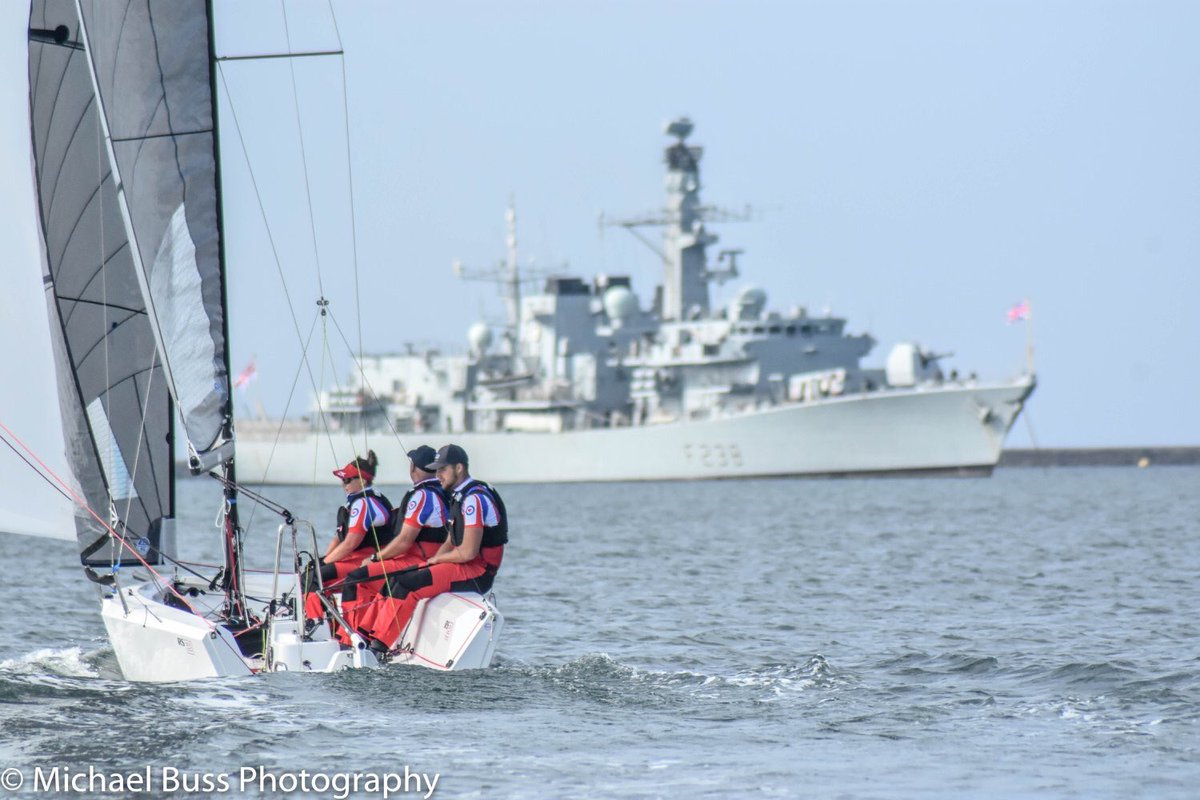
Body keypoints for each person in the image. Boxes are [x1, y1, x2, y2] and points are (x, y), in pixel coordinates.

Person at [358, 443, 507, 656]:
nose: (438, 475)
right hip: (464, 565)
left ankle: (378, 649)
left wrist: (437, 561)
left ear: (459, 468)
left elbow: (468, 552)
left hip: (479, 572)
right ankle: (364, 636)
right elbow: (452, 539)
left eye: (443, 470)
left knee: (408, 584)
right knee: (396, 578)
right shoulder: (460, 495)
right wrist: (431, 561)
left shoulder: (474, 499)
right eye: (436, 470)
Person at [335, 445, 449, 640]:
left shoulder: (422, 495)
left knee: (356, 578)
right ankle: (366, 632)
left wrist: (375, 558)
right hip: (432, 558)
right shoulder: (442, 491)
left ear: (413, 468)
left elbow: (404, 542)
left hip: (419, 559)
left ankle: (349, 639)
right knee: (371, 579)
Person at [303, 450, 395, 622]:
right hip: (355, 558)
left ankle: (315, 622)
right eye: (342, 480)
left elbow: (351, 543)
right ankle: (327, 621)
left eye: (347, 480)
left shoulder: (363, 503)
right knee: (313, 572)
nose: (343, 484)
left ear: (362, 481)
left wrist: (324, 563)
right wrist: (322, 560)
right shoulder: (357, 501)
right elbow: (339, 538)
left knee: (312, 578)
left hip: (367, 560)